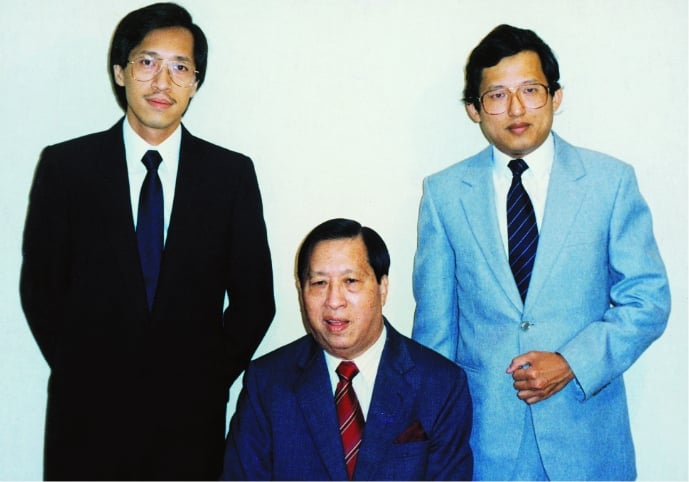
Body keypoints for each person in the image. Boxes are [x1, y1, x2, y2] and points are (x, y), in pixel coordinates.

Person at [20, 3, 275, 480]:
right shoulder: (67, 168)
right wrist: (85, 372)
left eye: (181, 67)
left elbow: (255, 300)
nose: (163, 82)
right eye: (147, 62)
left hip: (189, 424)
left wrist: (204, 380)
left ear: (196, 81)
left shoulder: (230, 176)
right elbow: (41, 289)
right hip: (85, 422)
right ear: (120, 71)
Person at [412, 24, 670, 480]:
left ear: (556, 97)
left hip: (586, 434)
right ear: (474, 109)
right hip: (483, 443)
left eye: (531, 90)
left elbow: (647, 300)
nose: (515, 108)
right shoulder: (444, 194)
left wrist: (572, 362)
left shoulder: (610, 183)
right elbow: (435, 334)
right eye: (496, 95)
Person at [221, 218, 473, 481]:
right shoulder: (268, 383)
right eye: (319, 283)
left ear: (382, 287)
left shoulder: (441, 384)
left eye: (350, 281)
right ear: (301, 290)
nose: (334, 301)